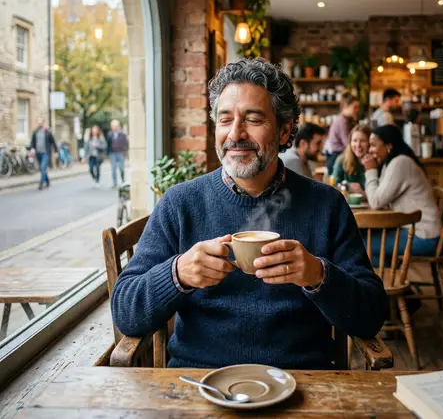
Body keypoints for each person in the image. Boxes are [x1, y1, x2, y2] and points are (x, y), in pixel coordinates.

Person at [111, 58, 388, 370]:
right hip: (198, 380)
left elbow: (371, 315)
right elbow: (125, 311)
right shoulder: (181, 203)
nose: (235, 134)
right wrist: (178, 274)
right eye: (225, 120)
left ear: (285, 130)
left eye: (253, 120)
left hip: (304, 380)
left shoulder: (327, 205)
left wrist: (317, 274)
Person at [361, 124, 441, 264]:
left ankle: (386, 279)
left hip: (423, 236)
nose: (370, 150)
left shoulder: (401, 163)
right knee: (362, 238)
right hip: (413, 231)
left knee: (360, 244)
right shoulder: (391, 163)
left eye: (373, 145)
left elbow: (376, 202)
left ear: (388, 146)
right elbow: (381, 199)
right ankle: (388, 274)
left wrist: (370, 171)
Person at [324, 91, 360, 174]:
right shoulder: (342, 121)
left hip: (340, 156)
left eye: (358, 107)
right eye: (355, 107)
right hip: (336, 158)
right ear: (346, 106)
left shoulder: (348, 120)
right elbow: (348, 144)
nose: (357, 110)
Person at [333, 125, 371, 193]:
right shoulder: (342, 160)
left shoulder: (377, 162)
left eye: (362, 141)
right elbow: (333, 185)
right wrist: (346, 186)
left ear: (369, 142)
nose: (358, 145)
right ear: (350, 143)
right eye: (355, 141)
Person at [29, 117, 58, 190]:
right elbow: (32, 142)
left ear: (43, 122)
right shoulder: (35, 131)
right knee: (42, 169)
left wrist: (56, 151)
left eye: (40, 121)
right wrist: (32, 149)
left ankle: (41, 183)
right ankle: (47, 181)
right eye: (38, 122)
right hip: (38, 153)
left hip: (45, 153)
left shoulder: (47, 131)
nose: (39, 123)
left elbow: (53, 141)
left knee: (43, 167)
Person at [107, 119, 128, 187]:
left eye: (116, 126)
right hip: (112, 154)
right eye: (113, 126)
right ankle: (114, 182)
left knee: (121, 168)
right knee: (113, 169)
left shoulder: (123, 135)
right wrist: (108, 153)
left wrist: (124, 153)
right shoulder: (110, 134)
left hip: (120, 153)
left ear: (118, 126)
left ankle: (123, 179)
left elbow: (126, 144)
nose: (114, 127)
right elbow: (108, 144)